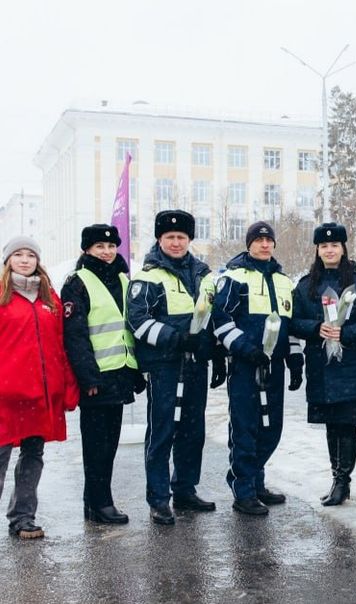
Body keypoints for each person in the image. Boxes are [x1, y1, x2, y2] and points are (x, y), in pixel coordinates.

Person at [126, 211, 226, 525]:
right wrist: (176, 339)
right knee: (162, 431)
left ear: (189, 240)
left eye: (181, 237)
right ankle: (158, 499)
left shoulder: (203, 274)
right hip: (164, 365)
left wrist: (217, 353)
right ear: (159, 239)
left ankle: (185, 488)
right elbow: (138, 321)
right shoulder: (147, 276)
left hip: (196, 364)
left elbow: (213, 316)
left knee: (192, 430)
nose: (176, 242)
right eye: (170, 237)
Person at [212, 221, 302, 516]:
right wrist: (243, 348)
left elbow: (290, 324)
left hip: (274, 367)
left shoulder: (283, 280)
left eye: (268, 240)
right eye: (258, 240)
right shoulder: (234, 276)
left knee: (271, 429)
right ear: (249, 243)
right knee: (245, 428)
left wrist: (295, 357)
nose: (264, 245)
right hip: (245, 365)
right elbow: (221, 320)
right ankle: (243, 489)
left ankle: (257, 481)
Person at [292, 223, 356, 506]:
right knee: (331, 424)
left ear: (343, 249)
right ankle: (336, 477)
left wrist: (347, 333)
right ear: (317, 250)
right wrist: (316, 327)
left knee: (346, 424)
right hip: (321, 366)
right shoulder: (306, 285)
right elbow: (293, 321)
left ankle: (343, 481)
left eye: (335, 246)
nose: (329, 250)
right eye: (323, 246)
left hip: (350, 364)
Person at [62, 224, 144, 525]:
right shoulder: (77, 282)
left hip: (120, 373)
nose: (107, 252)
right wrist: (88, 378)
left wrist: (136, 371)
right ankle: (101, 503)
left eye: (111, 247)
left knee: (110, 443)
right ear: (87, 250)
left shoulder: (123, 279)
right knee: (96, 445)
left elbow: (128, 328)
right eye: (100, 247)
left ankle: (93, 500)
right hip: (96, 378)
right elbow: (75, 336)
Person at [0, 237, 78, 539]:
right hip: (6, 395)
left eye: (30, 255)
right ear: (8, 260)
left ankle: (23, 518)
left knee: (33, 455)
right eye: (17, 254)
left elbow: (60, 346)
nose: (24, 259)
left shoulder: (50, 299)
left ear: (37, 260)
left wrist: (66, 384)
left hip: (40, 395)